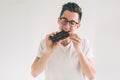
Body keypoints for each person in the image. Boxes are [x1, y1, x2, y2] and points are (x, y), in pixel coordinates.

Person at [31, 2, 96, 80]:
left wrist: (79, 51)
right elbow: (34, 73)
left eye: (72, 23)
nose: (67, 26)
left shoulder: (84, 43)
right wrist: (48, 52)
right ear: (59, 20)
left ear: (77, 26)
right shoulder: (46, 43)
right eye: (64, 20)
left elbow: (91, 76)